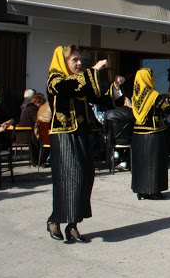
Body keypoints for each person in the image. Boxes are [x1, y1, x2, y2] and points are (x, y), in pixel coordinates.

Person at [46, 45, 124, 242]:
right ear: (63, 62)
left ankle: (73, 225)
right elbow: (67, 86)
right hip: (63, 134)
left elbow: (100, 99)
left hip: (83, 133)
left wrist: (115, 89)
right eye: (74, 60)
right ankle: (55, 220)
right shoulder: (55, 80)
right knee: (69, 177)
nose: (79, 63)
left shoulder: (82, 81)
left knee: (85, 177)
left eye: (81, 59)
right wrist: (94, 69)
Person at [130, 68, 170, 199]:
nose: (154, 79)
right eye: (152, 77)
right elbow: (169, 108)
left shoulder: (135, 96)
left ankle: (141, 189)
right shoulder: (153, 95)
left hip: (138, 135)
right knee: (154, 163)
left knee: (140, 163)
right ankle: (154, 190)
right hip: (153, 134)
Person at [16, 92, 46, 166]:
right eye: (42, 104)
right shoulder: (33, 109)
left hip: (22, 134)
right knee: (45, 139)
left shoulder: (28, 108)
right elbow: (37, 120)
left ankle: (39, 161)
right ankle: (40, 161)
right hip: (26, 135)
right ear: (37, 103)